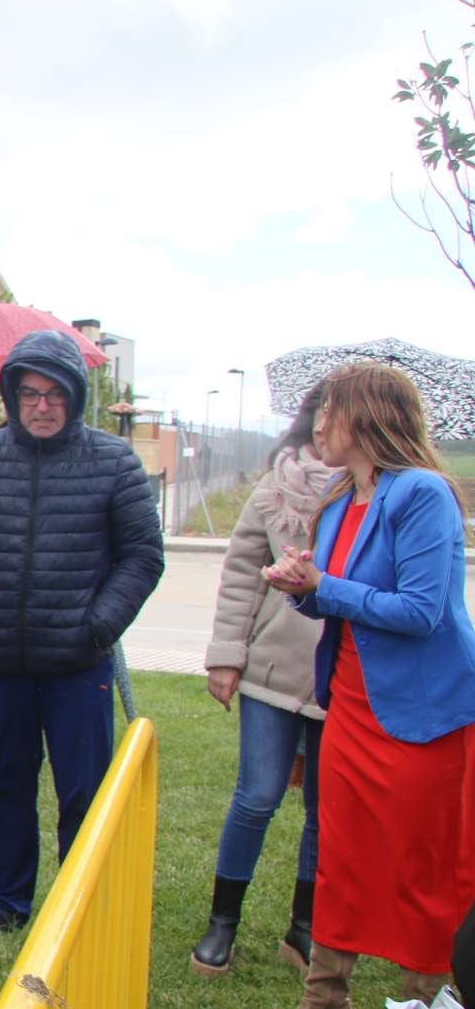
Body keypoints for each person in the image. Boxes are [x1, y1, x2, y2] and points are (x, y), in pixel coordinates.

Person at [255, 362, 475, 1009]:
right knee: (340, 854)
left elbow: (420, 610)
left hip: (422, 713)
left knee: (422, 865)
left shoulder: (424, 495)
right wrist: (302, 586)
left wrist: (327, 585)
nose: (317, 424)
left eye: (330, 411)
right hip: (350, 705)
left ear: (371, 417)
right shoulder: (339, 497)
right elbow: (341, 599)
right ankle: (325, 1005)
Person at [0, 329, 164, 933]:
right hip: (3, 663)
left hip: (78, 664)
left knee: (82, 795)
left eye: (55, 394)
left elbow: (143, 555)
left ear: (76, 396)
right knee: (5, 787)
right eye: (30, 393)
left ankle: (80, 909)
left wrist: (97, 626)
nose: (42, 406)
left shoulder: (113, 462)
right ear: (12, 396)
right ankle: (5, 904)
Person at [191, 387, 333, 977]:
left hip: (342, 677)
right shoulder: (276, 488)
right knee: (257, 795)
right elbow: (244, 571)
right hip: (272, 668)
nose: (328, 428)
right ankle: (222, 922)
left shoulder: (382, 489)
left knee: (326, 812)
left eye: (340, 416)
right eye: (322, 414)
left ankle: (304, 929)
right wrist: (227, 655)